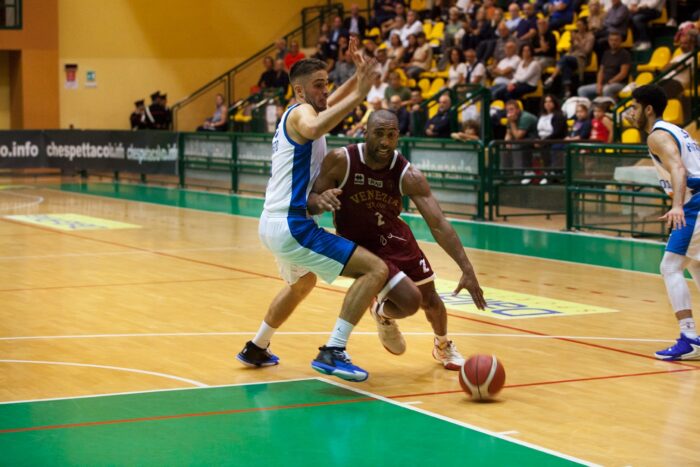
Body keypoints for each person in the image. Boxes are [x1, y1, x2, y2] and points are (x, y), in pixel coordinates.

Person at [236, 48, 390, 382]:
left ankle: (257, 346)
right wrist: (363, 93)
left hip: (272, 222)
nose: (325, 90)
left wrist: (359, 73)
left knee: (302, 283)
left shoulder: (302, 109)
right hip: (293, 226)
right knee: (375, 269)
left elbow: (331, 102)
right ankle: (333, 350)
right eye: (319, 85)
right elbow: (319, 121)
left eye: (327, 83)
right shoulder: (302, 115)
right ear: (300, 90)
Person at [309, 110, 487, 368]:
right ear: (365, 132)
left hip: (395, 238)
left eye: (391, 135)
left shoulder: (407, 173)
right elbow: (311, 200)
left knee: (431, 300)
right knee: (410, 301)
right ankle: (382, 313)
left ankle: (442, 345)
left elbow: (438, 223)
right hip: (362, 246)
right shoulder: (341, 160)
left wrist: (467, 268)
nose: (385, 142)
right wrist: (319, 202)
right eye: (379, 134)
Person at [627, 84, 700, 360]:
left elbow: (679, 168)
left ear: (648, 109)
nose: (630, 112)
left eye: (634, 107)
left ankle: (690, 337)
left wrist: (678, 205)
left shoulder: (658, 135)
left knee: (669, 266)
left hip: (695, 203)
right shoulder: (677, 130)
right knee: (694, 264)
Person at [578, 31, 630, 101]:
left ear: (621, 41)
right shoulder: (606, 53)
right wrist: (599, 84)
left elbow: (623, 74)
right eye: (611, 40)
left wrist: (609, 82)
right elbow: (601, 71)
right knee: (582, 90)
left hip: (619, 84)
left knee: (607, 89)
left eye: (616, 40)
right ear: (608, 41)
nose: (613, 42)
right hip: (604, 83)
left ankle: (608, 109)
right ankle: (587, 109)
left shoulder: (624, 54)